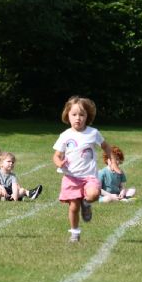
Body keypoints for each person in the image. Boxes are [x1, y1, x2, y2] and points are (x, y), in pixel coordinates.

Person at [52, 96, 112, 242]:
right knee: (73, 207)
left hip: (89, 176)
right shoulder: (65, 135)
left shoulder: (93, 133)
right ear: (68, 115)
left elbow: (106, 147)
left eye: (82, 115)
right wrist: (59, 163)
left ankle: (86, 203)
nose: (78, 118)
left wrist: (112, 162)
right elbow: (56, 155)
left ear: (87, 116)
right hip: (71, 177)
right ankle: (74, 232)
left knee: (93, 194)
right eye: (74, 114)